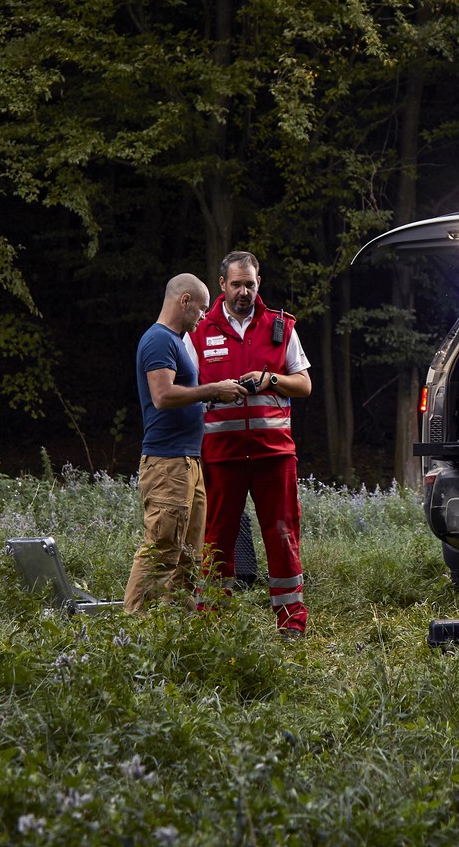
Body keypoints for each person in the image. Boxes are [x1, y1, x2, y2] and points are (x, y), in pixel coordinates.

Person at [190, 250, 313, 635]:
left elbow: (305, 385)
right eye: (237, 284)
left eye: (250, 283)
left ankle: (292, 624)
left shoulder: (281, 327)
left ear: (259, 283)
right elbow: (185, 391)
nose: (244, 291)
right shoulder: (199, 331)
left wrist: (270, 379)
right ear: (222, 285)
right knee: (216, 540)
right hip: (221, 456)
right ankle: (212, 623)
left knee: (281, 535)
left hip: (273, 455)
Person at [123, 273, 243, 613]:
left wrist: (214, 395)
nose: (204, 317)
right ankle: (132, 633)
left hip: (188, 462)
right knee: (161, 550)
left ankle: (178, 635)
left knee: (188, 556)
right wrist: (213, 389)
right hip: (167, 463)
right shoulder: (158, 340)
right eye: (201, 309)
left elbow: (185, 396)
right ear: (184, 301)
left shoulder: (175, 342)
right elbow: (162, 396)